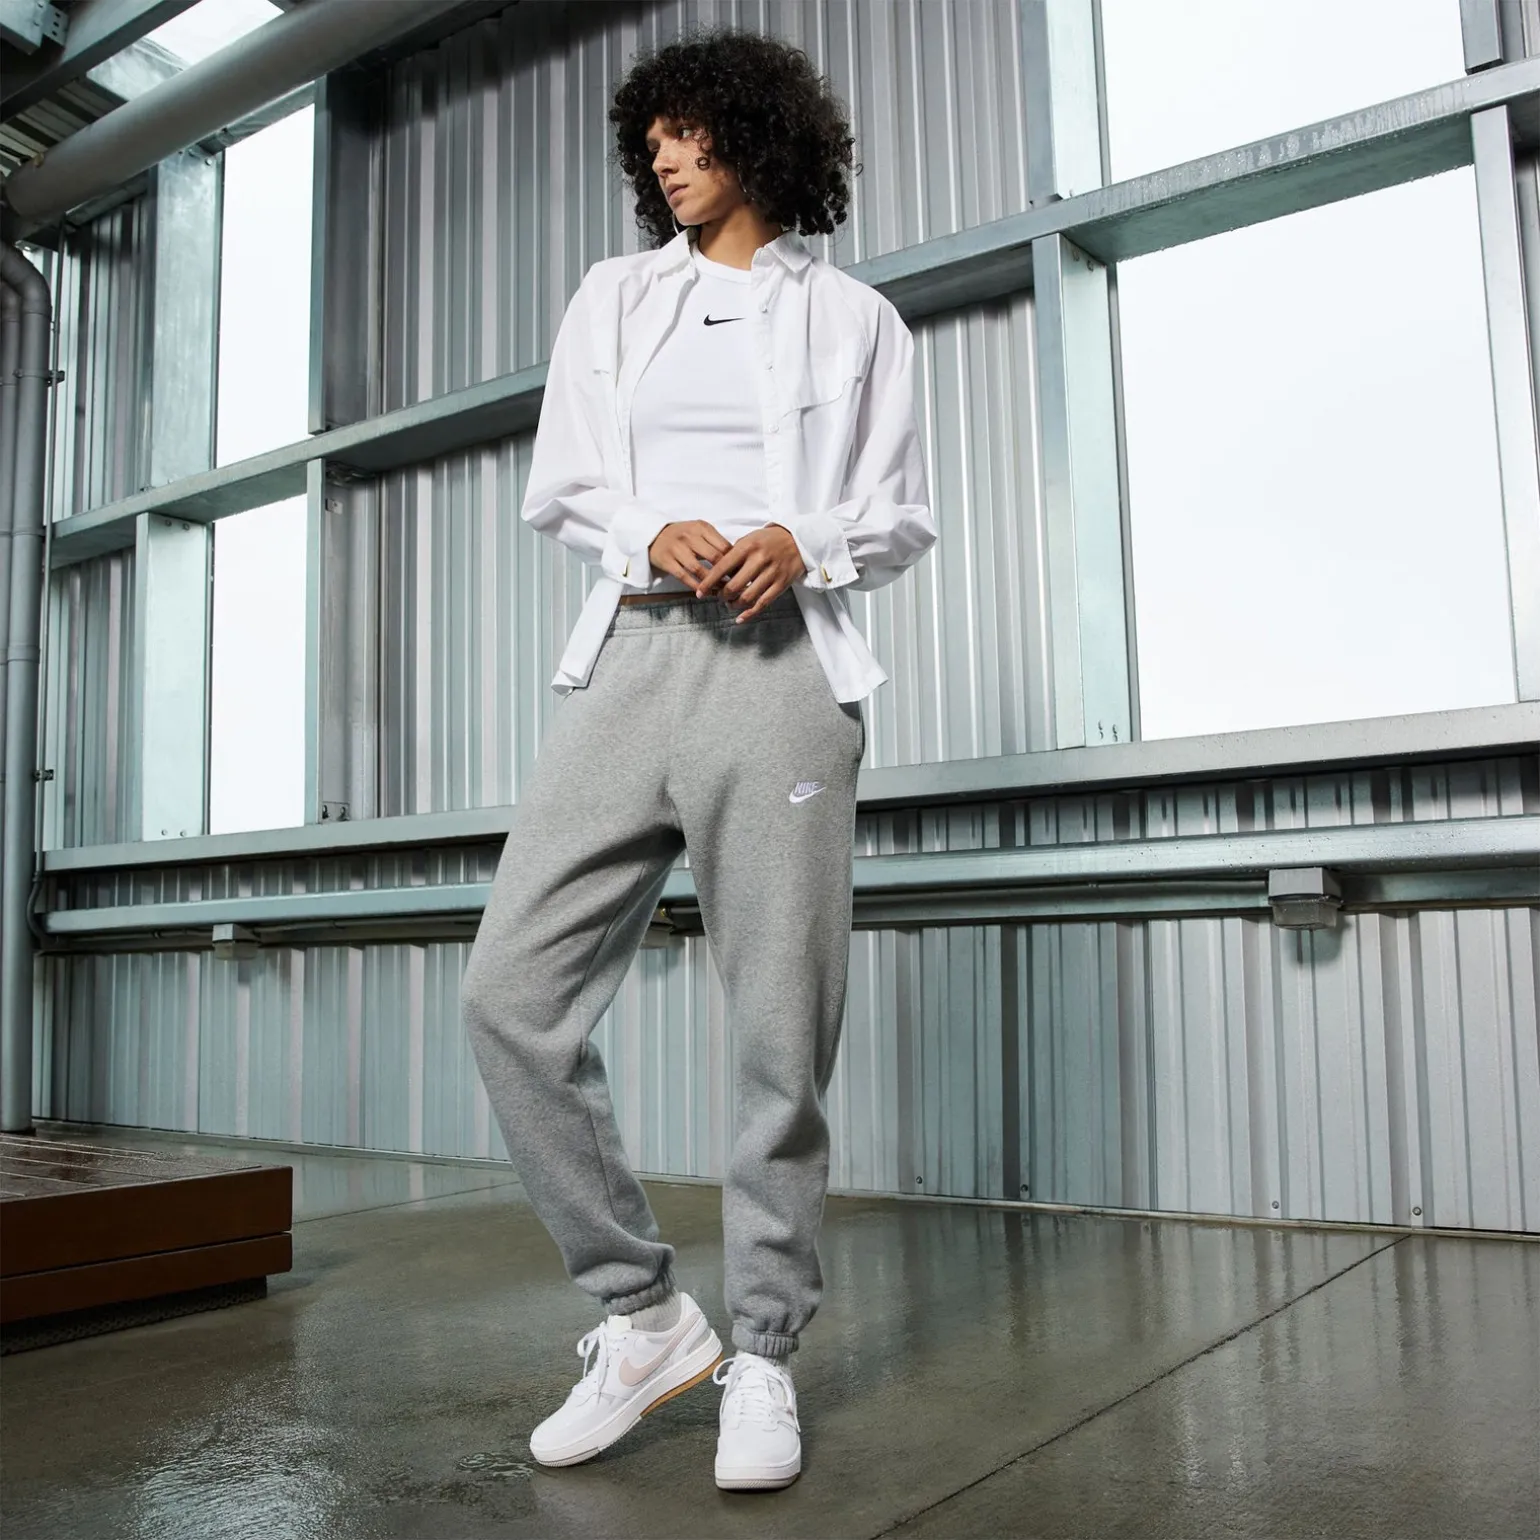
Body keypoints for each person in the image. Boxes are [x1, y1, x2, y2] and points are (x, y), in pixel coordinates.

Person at [461, 28, 935, 1492]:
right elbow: (564, 481)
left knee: (779, 1031)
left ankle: (766, 1354)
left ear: (759, 137)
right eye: (651, 140)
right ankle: (646, 1316)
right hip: (631, 657)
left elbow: (901, 513)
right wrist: (641, 527)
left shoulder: (857, 319)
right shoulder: (615, 299)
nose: (666, 159)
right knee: (509, 996)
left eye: (690, 133)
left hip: (782, 675)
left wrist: (807, 539)